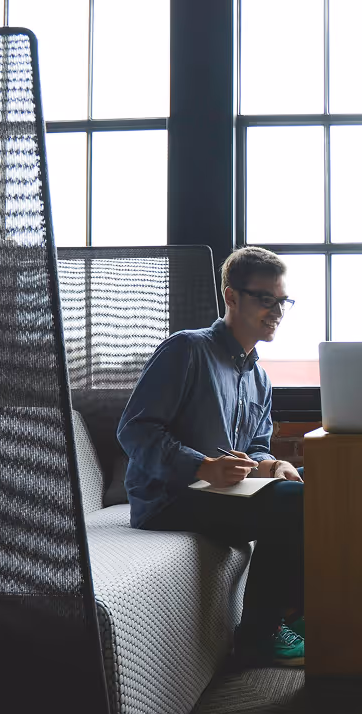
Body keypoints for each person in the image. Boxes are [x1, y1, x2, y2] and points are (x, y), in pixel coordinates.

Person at [117, 246, 307, 667]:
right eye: (266, 299)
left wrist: (272, 465)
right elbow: (135, 430)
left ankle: (296, 611)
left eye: (283, 301)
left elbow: (256, 446)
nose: (277, 311)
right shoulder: (186, 349)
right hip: (169, 499)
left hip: (224, 495)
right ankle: (258, 637)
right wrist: (202, 467)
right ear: (231, 296)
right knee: (296, 503)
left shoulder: (259, 378)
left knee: (318, 482)